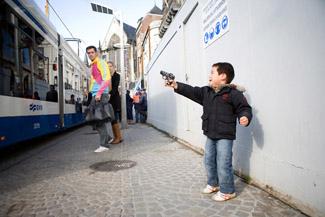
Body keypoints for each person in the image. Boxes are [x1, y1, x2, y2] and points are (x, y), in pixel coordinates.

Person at [164, 62, 252, 202]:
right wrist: (175, 85)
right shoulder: (207, 92)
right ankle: (213, 183)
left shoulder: (233, 94)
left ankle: (228, 191)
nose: (209, 75)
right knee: (208, 160)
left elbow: (244, 108)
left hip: (225, 135)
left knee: (224, 162)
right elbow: (192, 91)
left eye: (212, 72)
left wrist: (245, 117)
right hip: (210, 133)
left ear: (223, 76)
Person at [86, 45, 113, 153]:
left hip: (99, 95)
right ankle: (108, 138)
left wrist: (100, 92)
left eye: (92, 52)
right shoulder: (93, 65)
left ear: (96, 52)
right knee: (93, 119)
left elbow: (107, 78)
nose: (90, 54)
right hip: (95, 94)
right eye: (88, 53)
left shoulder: (100, 62)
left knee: (98, 120)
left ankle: (104, 145)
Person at [107, 61, 123, 144]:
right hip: (109, 99)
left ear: (113, 67)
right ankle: (116, 137)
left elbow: (115, 88)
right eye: (108, 66)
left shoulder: (116, 76)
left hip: (114, 98)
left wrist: (109, 94)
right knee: (111, 118)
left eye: (110, 66)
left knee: (114, 118)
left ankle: (119, 137)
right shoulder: (106, 76)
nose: (109, 68)